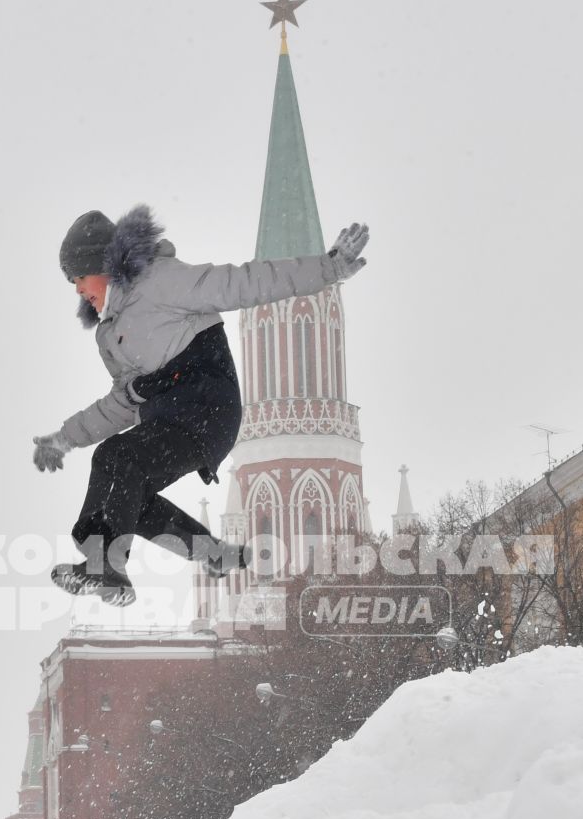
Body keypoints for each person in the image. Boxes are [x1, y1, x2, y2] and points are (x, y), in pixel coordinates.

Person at [34, 206, 370, 604]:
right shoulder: (109, 335)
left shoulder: (162, 281)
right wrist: (64, 438)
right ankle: (214, 554)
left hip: (206, 408)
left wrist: (329, 269)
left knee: (119, 458)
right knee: (125, 494)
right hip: (168, 416)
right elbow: (123, 401)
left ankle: (103, 568)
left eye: (79, 278)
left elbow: (244, 283)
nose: (77, 290)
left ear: (103, 266)